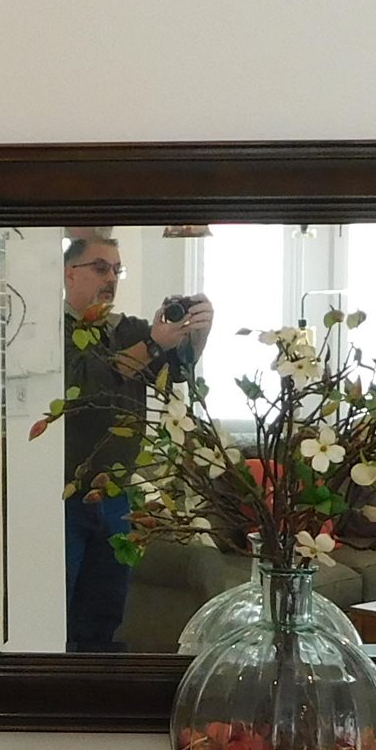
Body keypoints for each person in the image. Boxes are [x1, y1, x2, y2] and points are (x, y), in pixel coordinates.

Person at [60, 231, 212, 652]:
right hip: (66, 497)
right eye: (100, 268)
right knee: (58, 615)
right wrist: (152, 343)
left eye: (116, 269)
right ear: (69, 274)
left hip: (116, 496)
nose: (111, 278)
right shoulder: (52, 330)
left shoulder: (124, 328)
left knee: (105, 618)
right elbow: (86, 383)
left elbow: (176, 370)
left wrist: (196, 332)